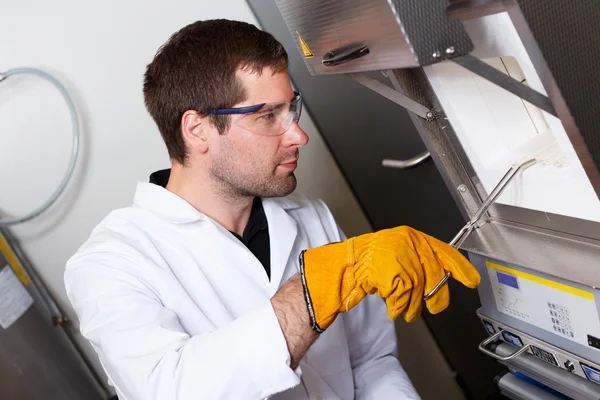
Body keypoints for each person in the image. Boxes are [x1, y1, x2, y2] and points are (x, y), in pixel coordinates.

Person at [64, 19, 480, 400]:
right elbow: (171, 387)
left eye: (290, 108)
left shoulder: (311, 217)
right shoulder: (111, 262)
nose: (298, 135)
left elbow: (370, 361)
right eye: (267, 116)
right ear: (198, 130)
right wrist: (312, 292)